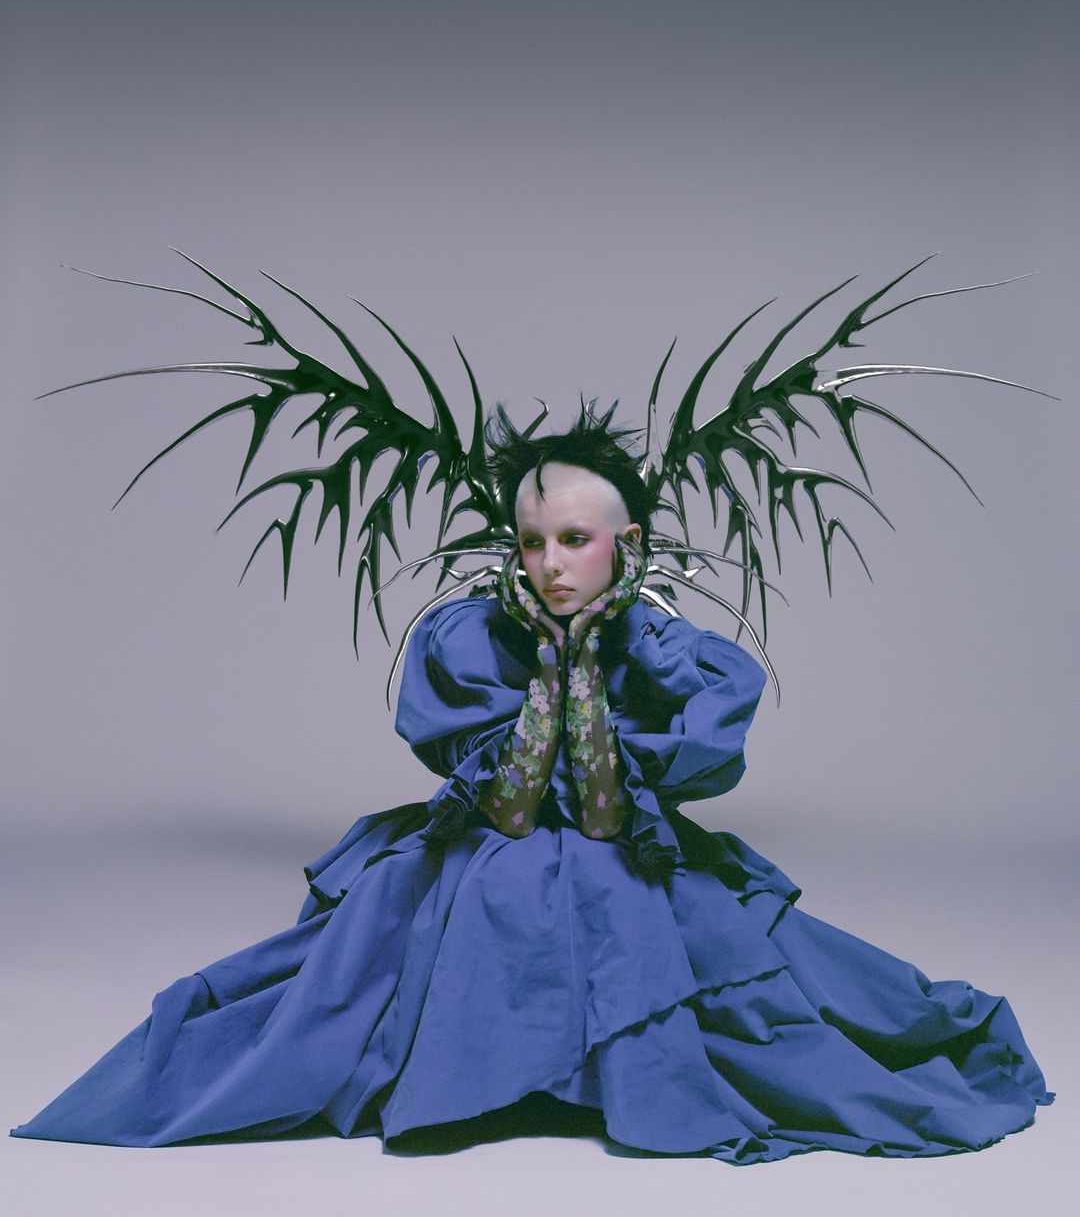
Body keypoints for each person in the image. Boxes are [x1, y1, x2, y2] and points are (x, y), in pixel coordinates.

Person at [10, 409, 1054, 1164]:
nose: (551, 564)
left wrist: (590, 658)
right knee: (480, 892)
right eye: (533, 541)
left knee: (638, 901)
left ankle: (612, 1073)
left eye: (575, 541)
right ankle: (489, 1067)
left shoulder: (679, 657)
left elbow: (605, 816)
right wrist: (552, 665)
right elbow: (509, 808)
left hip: (617, 839)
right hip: (493, 837)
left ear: (626, 547)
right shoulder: (467, 639)